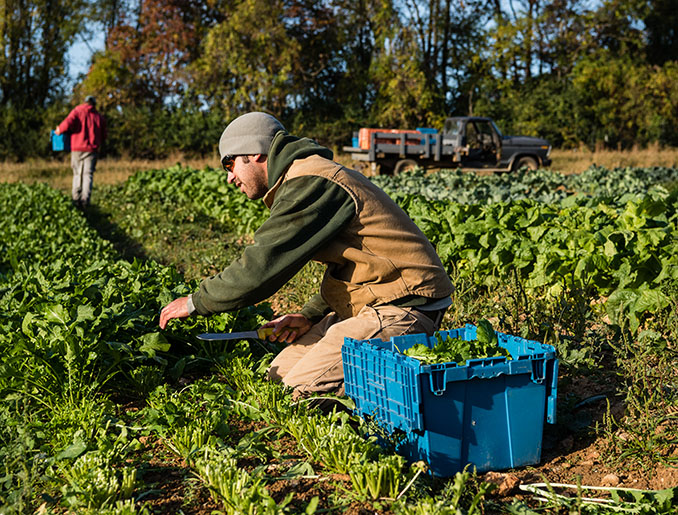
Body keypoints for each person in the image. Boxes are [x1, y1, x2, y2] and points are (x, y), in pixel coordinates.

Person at [159, 112, 454, 398]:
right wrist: (309, 316)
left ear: (256, 153)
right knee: (276, 378)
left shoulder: (312, 180)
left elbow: (261, 266)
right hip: (372, 302)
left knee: (297, 392)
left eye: (230, 164)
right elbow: (354, 265)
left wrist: (195, 302)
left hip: (404, 308)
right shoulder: (302, 177)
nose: (229, 177)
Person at [55, 95, 107, 208]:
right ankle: (85, 200)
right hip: (92, 149)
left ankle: (76, 199)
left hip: (77, 148)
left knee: (77, 173)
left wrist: (59, 130)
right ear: (94, 104)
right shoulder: (98, 116)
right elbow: (104, 135)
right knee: (88, 175)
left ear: (85, 102)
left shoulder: (77, 111)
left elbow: (68, 123)